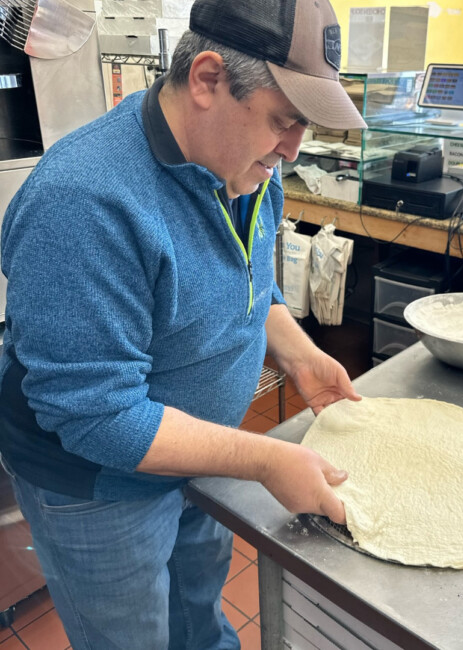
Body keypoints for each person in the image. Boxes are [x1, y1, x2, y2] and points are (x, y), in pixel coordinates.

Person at [0, 0, 367, 647]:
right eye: (285, 121)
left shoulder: (251, 166)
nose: (292, 149)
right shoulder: (84, 203)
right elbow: (97, 416)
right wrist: (262, 459)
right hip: (99, 488)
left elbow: (249, 286)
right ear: (206, 80)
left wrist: (300, 352)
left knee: (199, 616)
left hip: (199, 456)